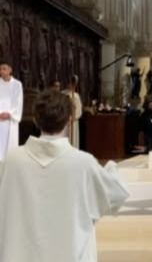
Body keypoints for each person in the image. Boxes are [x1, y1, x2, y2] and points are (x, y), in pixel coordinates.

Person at [0, 90, 129, 262]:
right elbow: (117, 193)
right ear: (69, 120)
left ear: (36, 120)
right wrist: (112, 168)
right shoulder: (83, 163)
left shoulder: (11, 161)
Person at [0, 61, 23, 160]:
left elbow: (19, 101)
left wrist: (10, 114)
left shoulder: (17, 84)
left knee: (10, 151)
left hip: (11, 120)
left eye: (4, 69)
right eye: (0, 69)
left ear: (10, 70)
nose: (1, 71)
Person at [62, 75, 82, 149]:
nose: (71, 86)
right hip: (64, 119)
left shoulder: (76, 95)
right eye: (70, 84)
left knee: (72, 139)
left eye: (73, 84)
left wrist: (73, 116)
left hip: (72, 121)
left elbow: (79, 109)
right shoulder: (63, 93)